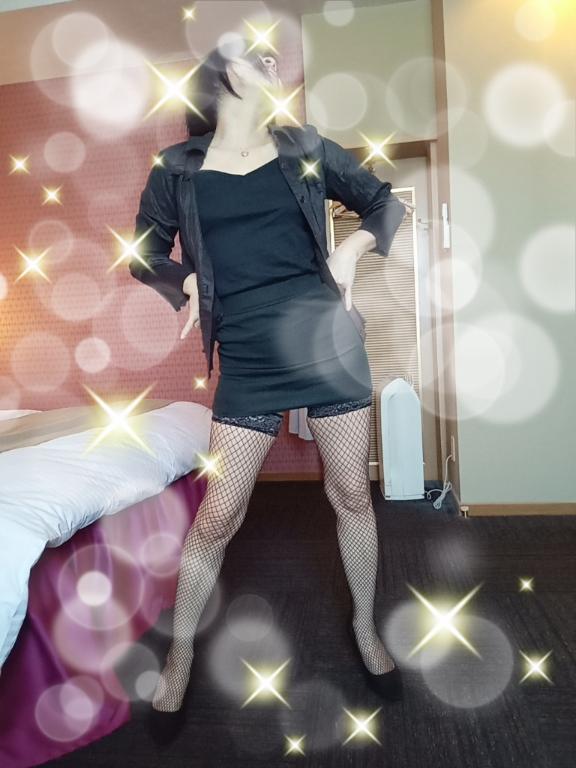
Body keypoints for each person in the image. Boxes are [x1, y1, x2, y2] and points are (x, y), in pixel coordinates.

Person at [134, 38, 407, 743]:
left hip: (328, 343)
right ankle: (181, 656)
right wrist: (183, 278)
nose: (269, 66)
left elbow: (382, 204)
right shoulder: (177, 169)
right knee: (217, 516)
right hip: (249, 356)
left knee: (350, 494)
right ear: (222, 75)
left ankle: (364, 626)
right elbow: (144, 251)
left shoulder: (304, 147)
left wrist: (351, 250)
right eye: (254, 58)